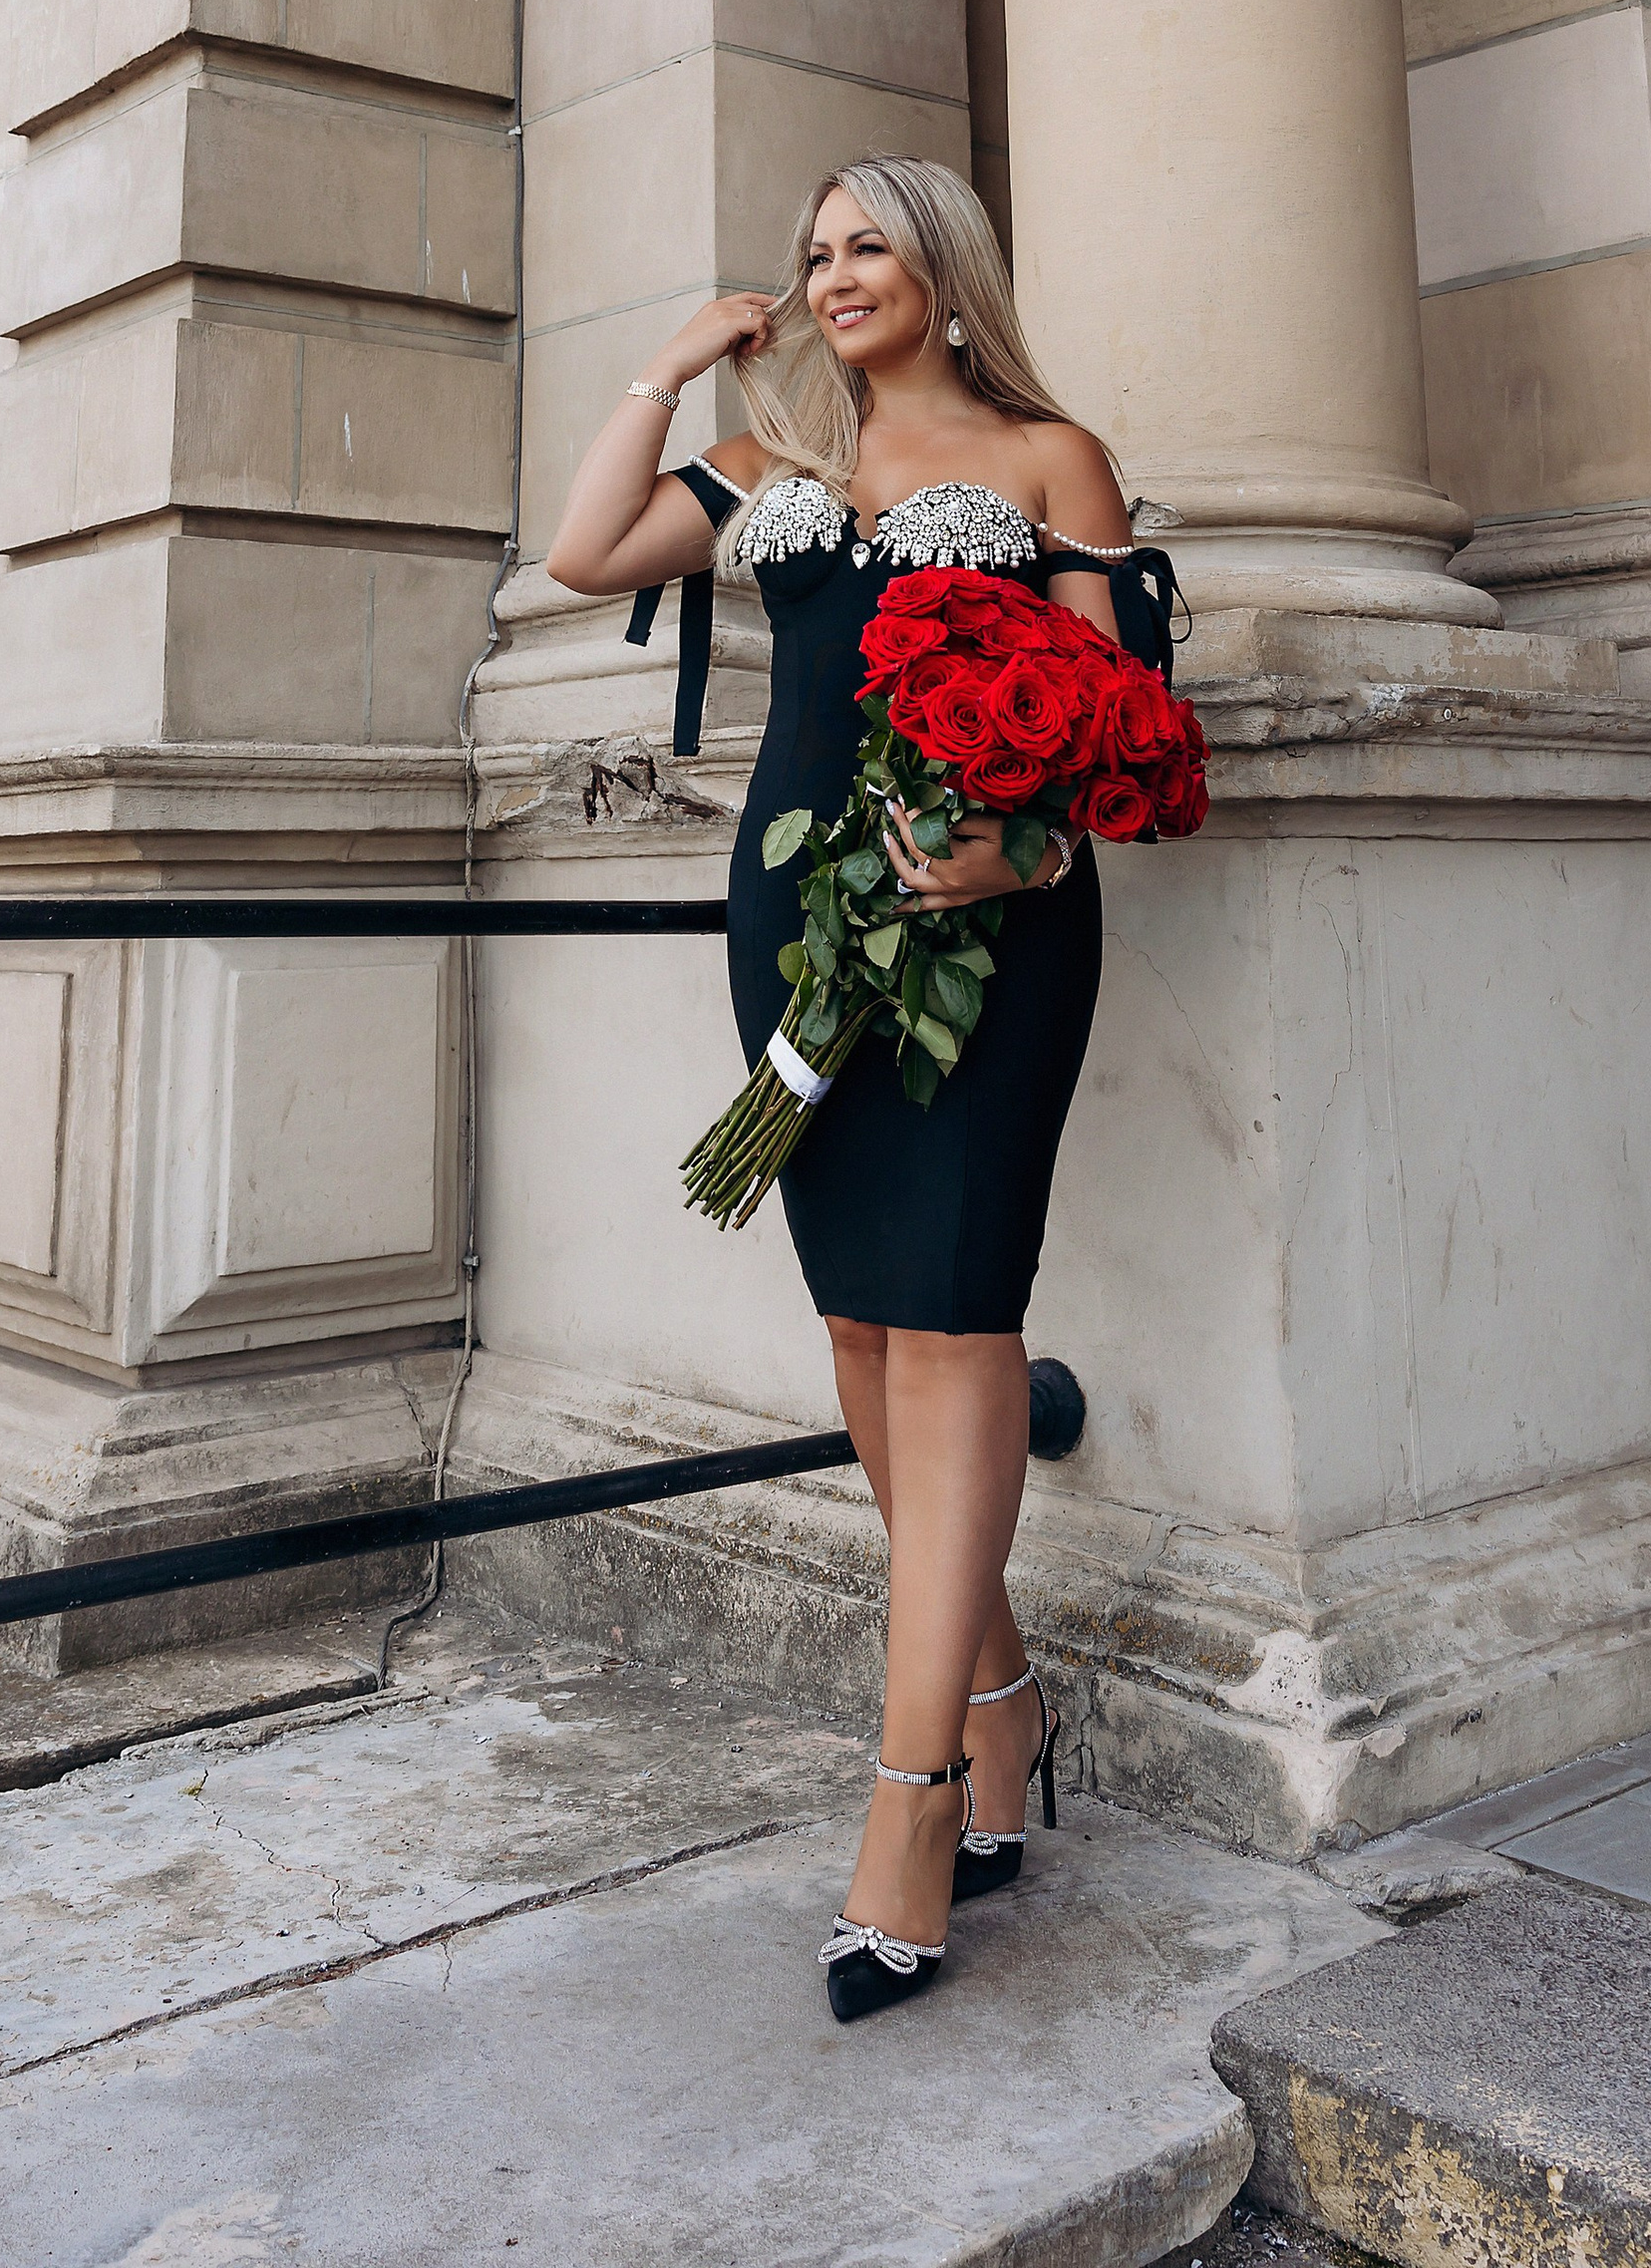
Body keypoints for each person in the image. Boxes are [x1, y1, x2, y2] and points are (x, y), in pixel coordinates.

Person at [546, 156, 1137, 2026]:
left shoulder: (1052, 460)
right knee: (866, 1332)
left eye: (867, 241)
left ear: (947, 269)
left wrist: (1013, 857)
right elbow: (581, 552)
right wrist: (676, 360)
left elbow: (1119, 729)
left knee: (956, 1316)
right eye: (814, 254)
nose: (833, 272)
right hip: (793, 915)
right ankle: (997, 1699)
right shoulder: (772, 469)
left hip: (990, 932)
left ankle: (909, 1815)